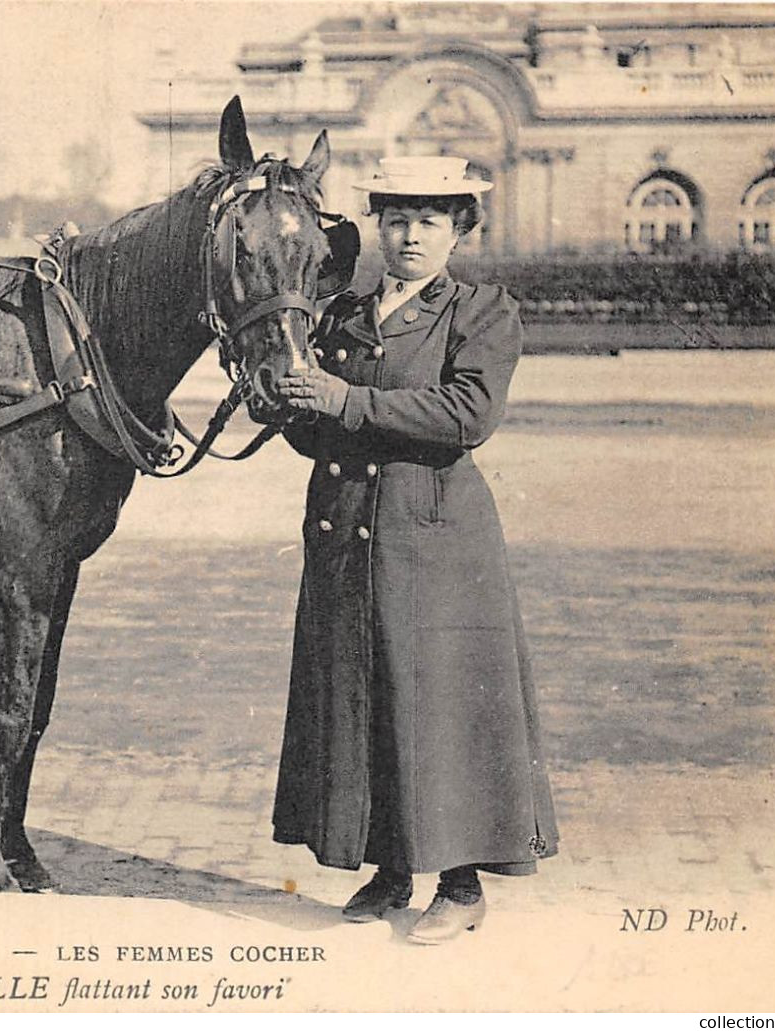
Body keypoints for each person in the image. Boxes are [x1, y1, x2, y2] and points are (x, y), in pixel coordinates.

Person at [269, 156, 558, 945]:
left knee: (435, 704)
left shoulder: (480, 311)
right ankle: (389, 870)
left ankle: (459, 885)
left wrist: (346, 399)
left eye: (429, 221)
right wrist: (291, 403)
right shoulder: (340, 315)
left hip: (432, 542)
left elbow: (466, 413)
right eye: (395, 219)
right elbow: (317, 430)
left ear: (459, 230)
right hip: (344, 534)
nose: (408, 235)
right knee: (360, 696)